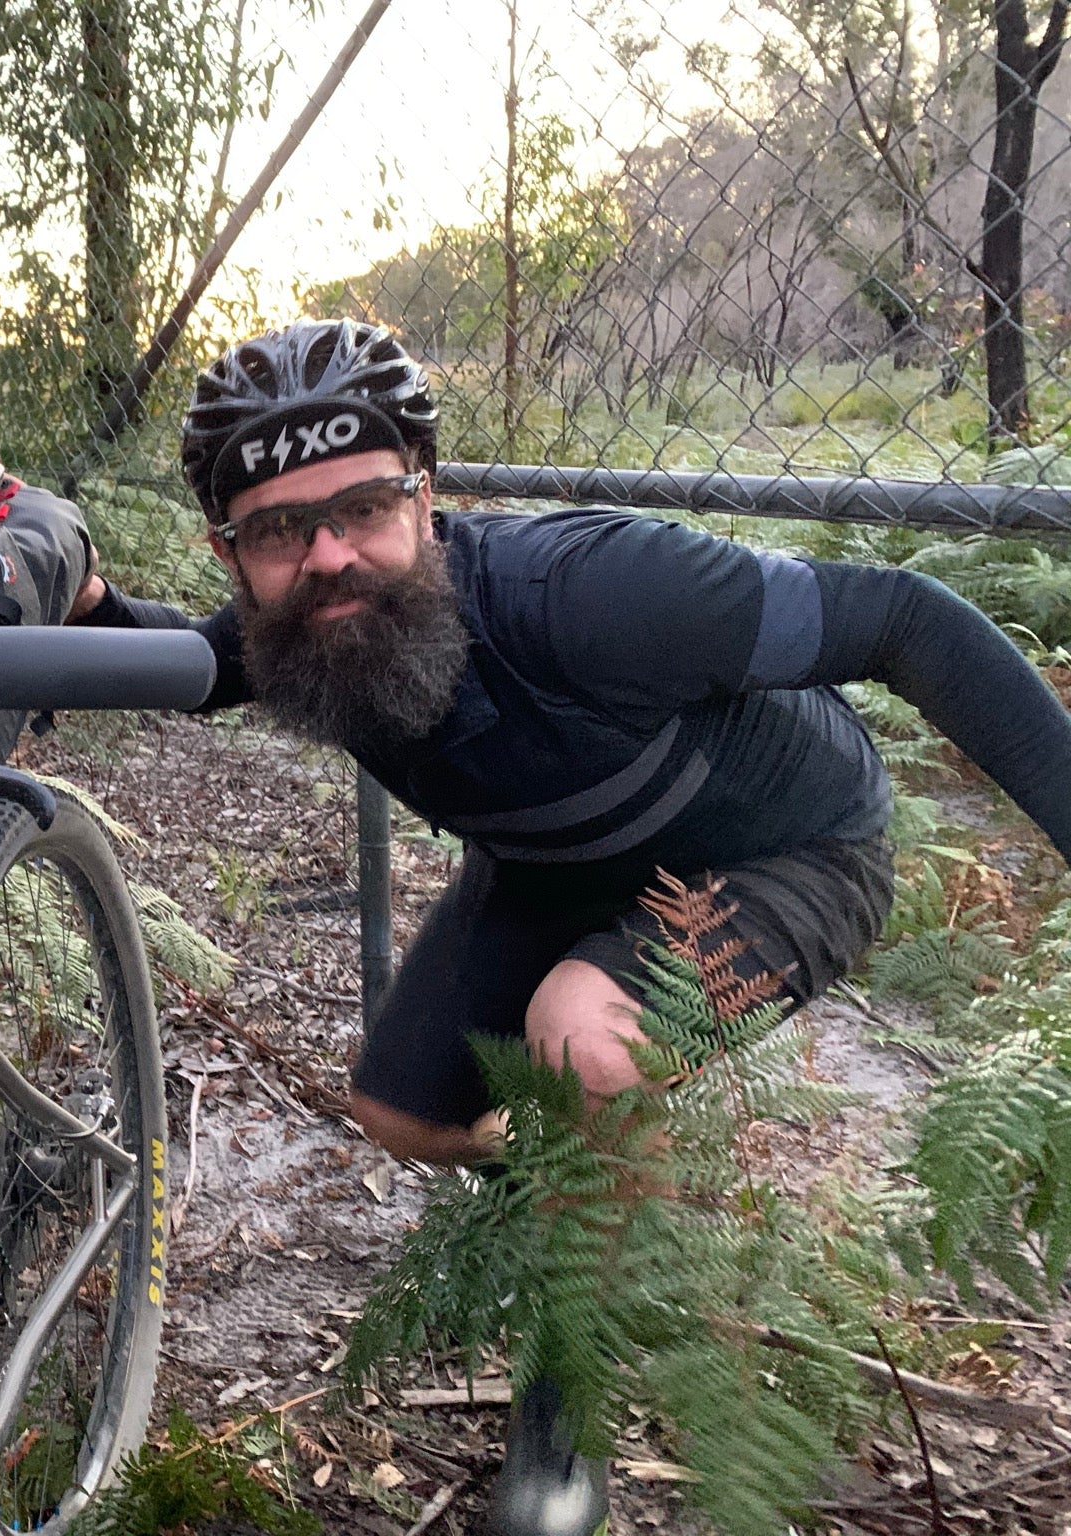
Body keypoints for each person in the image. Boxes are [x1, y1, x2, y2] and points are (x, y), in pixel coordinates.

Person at [68, 317, 1071, 1535]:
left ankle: (569, 1383)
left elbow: (908, 620)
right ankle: (575, 1191)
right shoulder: (292, 632)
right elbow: (170, 659)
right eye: (277, 529)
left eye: (366, 507)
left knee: (581, 1041)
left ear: (425, 500)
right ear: (231, 554)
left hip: (783, 856)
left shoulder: (600, 595)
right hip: (555, 868)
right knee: (397, 1113)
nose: (329, 556)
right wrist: (80, 596)